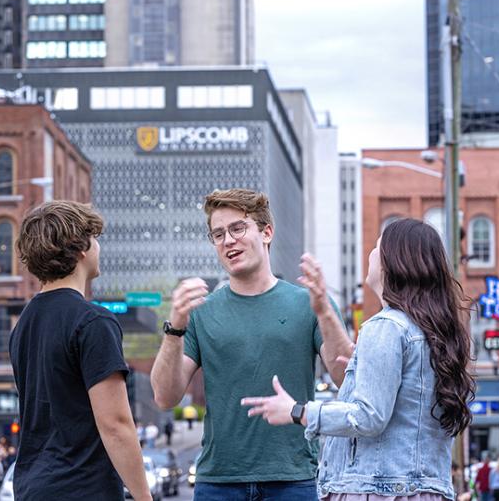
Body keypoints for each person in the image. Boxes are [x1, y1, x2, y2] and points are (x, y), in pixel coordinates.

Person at [242, 217, 475, 501]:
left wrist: (298, 411)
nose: (371, 254)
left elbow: (368, 417)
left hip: (378, 491)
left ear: (394, 261)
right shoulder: (437, 333)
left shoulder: (387, 327)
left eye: (377, 247)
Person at [151, 188, 353, 500]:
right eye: (218, 234)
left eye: (237, 228)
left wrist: (325, 312)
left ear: (267, 232)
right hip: (218, 482)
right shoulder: (200, 312)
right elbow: (165, 397)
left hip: (293, 480)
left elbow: (347, 380)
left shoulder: (309, 304)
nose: (227, 240)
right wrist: (174, 327)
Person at [10, 201, 151, 501]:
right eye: (95, 238)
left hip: (31, 487)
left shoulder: (24, 323)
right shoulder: (93, 321)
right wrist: (143, 497)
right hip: (82, 488)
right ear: (81, 248)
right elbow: (115, 425)